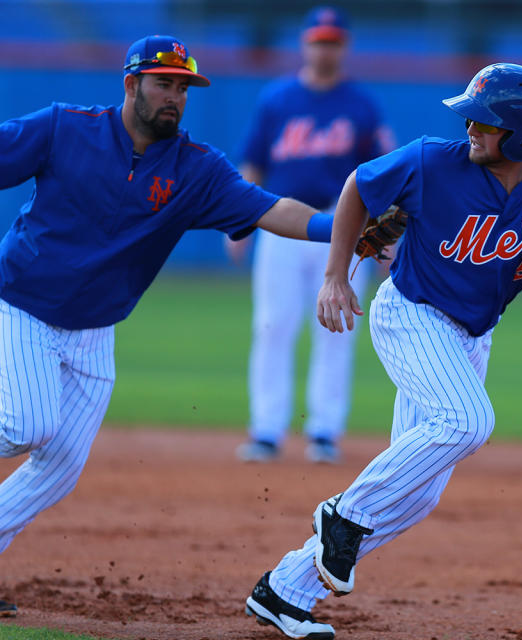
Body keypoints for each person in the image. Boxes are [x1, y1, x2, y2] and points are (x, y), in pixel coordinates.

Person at [243, 62, 522, 640]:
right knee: (468, 420)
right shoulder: (434, 158)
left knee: (417, 497)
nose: (470, 128)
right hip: (411, 315)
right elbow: (359, 184)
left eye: (484, 120)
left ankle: (285, 590)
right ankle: (344, 513)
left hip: (472, 336)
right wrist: (335, 276)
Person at [0, 35, 340, 617]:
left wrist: (343, 227)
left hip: (94, 330)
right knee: (28, 421)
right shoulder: (63, 128)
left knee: (59, 471)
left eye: (183, 87)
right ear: (131, 84)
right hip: (24, 305)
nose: (174, 97)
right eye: (163, 83)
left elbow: (270, 208)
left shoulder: (195, 170)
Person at [230, 6, 394, 465]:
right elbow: (253, 164)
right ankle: (266, 429)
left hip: (342, 229)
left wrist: (382, 234)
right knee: (272, 325)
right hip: (280, 223)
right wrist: (239, 224)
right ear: (305, 44)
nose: (325, 48)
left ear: (344, 46)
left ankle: (324, 430)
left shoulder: (361, 104)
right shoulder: (276, 99)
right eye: (318, 40)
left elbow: (381, 174)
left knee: (337, 329)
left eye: (333, 41)